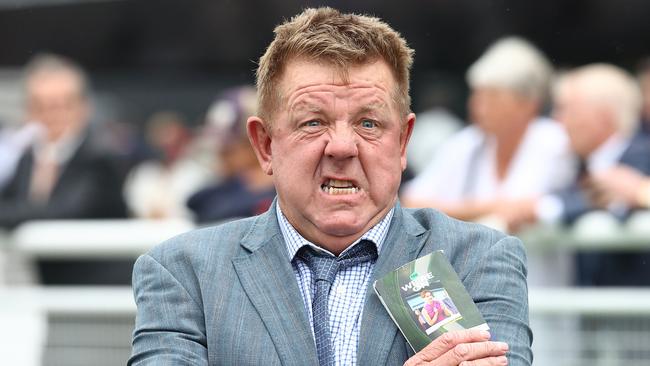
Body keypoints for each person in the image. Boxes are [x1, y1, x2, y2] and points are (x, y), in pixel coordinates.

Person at [129, 7, 531, 365]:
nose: (342, 147)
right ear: (265, 145)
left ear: (403, 142)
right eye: (313, 122)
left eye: (369, 123)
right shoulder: (184, 274)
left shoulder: (479, 259)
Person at [401, 37, 575, 228]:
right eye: (476, 94)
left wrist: (459, 213)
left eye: (492, 97)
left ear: (527, 103)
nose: (477, 106)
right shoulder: (467, 142)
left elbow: (537, 208)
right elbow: (412, 203)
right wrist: (490, 209)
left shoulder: (553, 141)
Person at [509, 63, 650, 286]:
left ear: (601, 117)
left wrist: (545, 208)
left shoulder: (642, 156)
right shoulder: (580, 165)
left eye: (566, 109)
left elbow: (610, 200)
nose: (558, 120)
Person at [0, 53, 127, 228]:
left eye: (62, 105)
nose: (51, 116)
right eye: (40, 106)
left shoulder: (98, 157)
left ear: (84, 108)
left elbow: (67, 211)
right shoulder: (26, 159)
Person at [187, 86, 276, 223]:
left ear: (257, 142)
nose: (221, 155)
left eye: (229, 150)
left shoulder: (286, 195)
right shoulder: (213, 196)